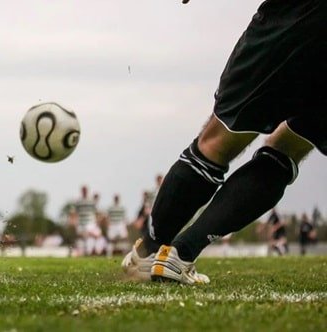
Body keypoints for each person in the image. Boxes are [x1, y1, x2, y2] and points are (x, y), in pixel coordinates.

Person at [123, 0, 326, 284]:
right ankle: (180, 255)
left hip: (299, 15)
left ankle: (150, 253)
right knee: (289, 147)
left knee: (216, 143)